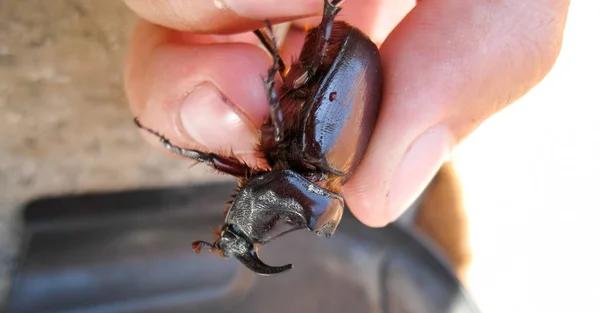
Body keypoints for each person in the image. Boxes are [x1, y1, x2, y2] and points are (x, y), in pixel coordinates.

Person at [123, 0, 569, 227]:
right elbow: (287, 103)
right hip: (338, 55)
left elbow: (284, 106)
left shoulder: (316, 160)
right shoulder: (310, 151)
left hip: (339, 57)